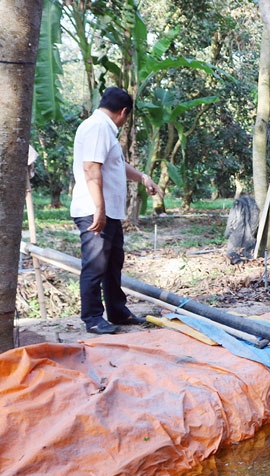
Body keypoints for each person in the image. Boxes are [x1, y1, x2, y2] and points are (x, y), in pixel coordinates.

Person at [70, 87, 162, 334]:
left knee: (113, 263)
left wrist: (143, 177)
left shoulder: (103, 130)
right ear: (123, 112)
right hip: (95, 210)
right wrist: (98, 208)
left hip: (107, 211)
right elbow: (91, 168)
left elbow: (117, 165)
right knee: (95, 264)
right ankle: (92, 317)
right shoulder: (98, 128)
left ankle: (117, 311)